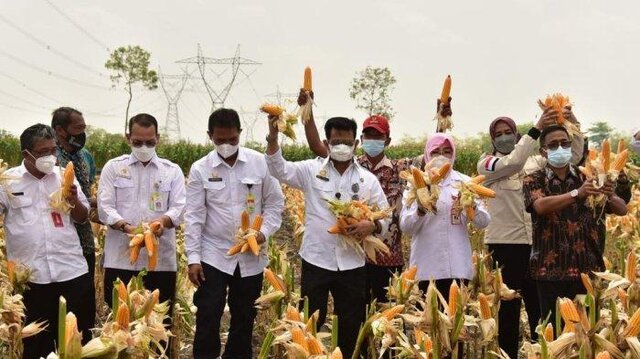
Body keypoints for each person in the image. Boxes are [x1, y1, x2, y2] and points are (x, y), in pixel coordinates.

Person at [266, 116, 390, 358]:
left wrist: (371, 225)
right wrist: (273, 137)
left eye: (346, 142)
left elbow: (385, 219)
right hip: (316, 261)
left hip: (352, 264)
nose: (341, 147)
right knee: (309, 324)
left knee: (350, 326)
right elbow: (277, 168)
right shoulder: (311, 170)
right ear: (327, 142)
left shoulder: (368, 180)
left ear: (355, 144)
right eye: (336, 142)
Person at [186, 108, 284, 359]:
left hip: (251, 254)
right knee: (209, 311)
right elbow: (194, 216)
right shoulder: (200, 168)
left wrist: (262, 233)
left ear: (240, 133)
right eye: (220, 140)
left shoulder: (260, 163)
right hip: (214, 252)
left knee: (244, 314)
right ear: (210, 136)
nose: (227, 145)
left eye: (232, 139)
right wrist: (193, 259)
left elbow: (275, 204)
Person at [0, 124, 93, 359]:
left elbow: (82, 217)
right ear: (26, 154)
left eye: (53, 150)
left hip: (72, 272)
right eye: (43, 152)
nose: (50, 157)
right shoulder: (8, 182)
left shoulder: (64, 176)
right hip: (31, 278)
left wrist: (74, 200)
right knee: (36, 347)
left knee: (75, 345)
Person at [523, 125, 628, 321]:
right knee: (554, 334)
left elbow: (622, 209)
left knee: (587, 334)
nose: (560, 148)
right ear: (543, 151)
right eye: (553, 145)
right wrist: (577, 194)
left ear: (571, 146)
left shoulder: (588, 177)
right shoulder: (533, 179)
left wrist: (608, 192)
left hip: (588, 271)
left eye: (564, 143)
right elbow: (540, 206)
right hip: (550, 272)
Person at [304, 112, 409, 303]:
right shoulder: (349, 164)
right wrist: (307, 112)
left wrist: (441, 121)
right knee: (357, 314)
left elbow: (433, 158)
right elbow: (318, 147)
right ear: (360, 140)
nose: (373, 141)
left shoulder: (401, 168)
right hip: (354, 255)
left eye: (378, 137)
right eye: (369, 136)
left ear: (388, 140)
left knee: (382, 315)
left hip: (388, 256)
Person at [476, 114, 553, 357]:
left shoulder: (535, 162)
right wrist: (537, 128)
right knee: (508, 310)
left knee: (538, 308)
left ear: (516, 134)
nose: (503, 137)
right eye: (497, 134)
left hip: (535, 243)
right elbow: (513, 163)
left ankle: (540, 352)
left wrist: (569, 122)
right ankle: (507, 354)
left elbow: (569, 157)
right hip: (503, 245)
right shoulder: (487, 164)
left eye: (507, 132)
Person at [97, 114, 185, 323]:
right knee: (120, 325)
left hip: (160, 262)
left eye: (150, 142)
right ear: (128, 138)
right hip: (120, 260)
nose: (144, 147)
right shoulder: (113, 167)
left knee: (158, 325)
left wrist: (161, 223)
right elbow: (104, 206)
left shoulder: (172, 171)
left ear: (158, 138)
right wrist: (126, 227)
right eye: (138, 142)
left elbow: (180, 207)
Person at [400, 133, 490, 299]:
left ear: (453, 154)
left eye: (447, 151)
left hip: (458, 267)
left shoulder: (466, 182)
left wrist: (472, 205)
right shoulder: (414, 184)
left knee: (456, 323)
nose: (441, 156)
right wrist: (420, 209)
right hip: (425, 269)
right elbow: (406, 227)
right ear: (427, 155)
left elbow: (483, 222)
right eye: (435, 152)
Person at [51, 106, 97, 338]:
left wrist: (95, 204)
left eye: (83, 128)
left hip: (85, 239)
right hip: (60, 242)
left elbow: (87, 189)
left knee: (85, 305)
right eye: (77, 129)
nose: (81, 133)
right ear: (60, 130)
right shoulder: (49, 158)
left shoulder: (85, 156)